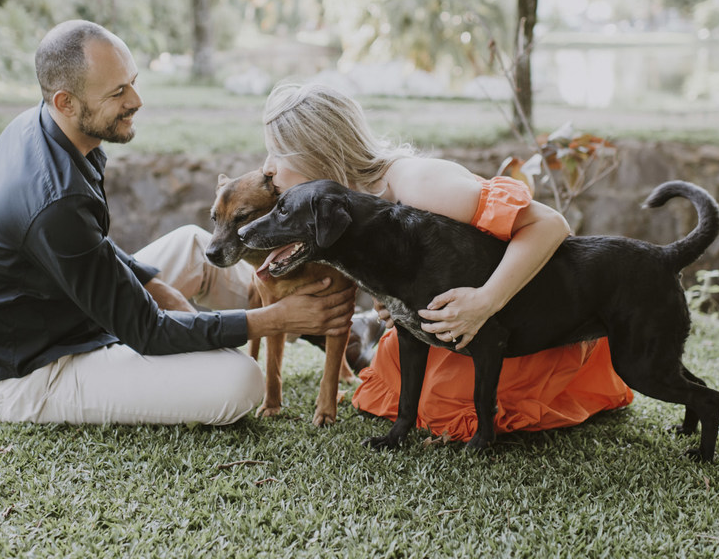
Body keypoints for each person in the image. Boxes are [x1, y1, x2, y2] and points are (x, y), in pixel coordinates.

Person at [0, 21, 355, 427]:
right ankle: (298, 317)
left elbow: (90, 249)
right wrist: (275, 320)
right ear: (66, 102)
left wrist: (151, 284)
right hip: (34, 370)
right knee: (240, 382)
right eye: (118, 92)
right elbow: (147, 330)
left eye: (132, 82)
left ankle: (325, 328)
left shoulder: (45, 128)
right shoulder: (57, 199)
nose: (137, 100)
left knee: (195, 246)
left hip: (67, 311)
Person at [261, 82, 634, 442]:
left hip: (526, 325)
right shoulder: (346, 210)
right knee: (395, 386)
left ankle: (369, 336)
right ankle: (371, 333)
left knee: (442, 407)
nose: (267, 168)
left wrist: (486, 299)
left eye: (277, 152)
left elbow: (550, 224)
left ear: (316, 151)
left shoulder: (419, 183)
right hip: (450, 331)